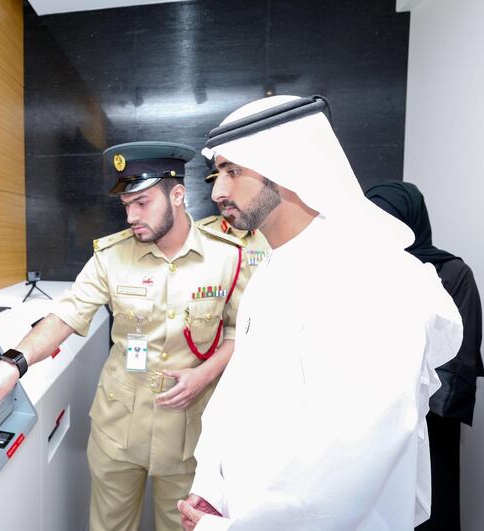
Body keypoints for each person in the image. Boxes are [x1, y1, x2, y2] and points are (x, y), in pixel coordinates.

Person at [177, 95, 463, 531]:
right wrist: (212, 488)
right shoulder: (274, 269)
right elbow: (238, 396)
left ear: (288, 168)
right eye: (218, 174)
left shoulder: (372, 276)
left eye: (233, 171)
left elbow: (348, 463)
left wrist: (234, 528)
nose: (217, 191)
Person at [0, 141, 256, 531]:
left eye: (142, 202)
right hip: (118, 428)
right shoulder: (111, 256)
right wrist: (12, 363)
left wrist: (203, 375)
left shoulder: (229, 256)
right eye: (126, 205)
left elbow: (239, 333)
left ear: (177, 194)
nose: (131, 216)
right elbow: (66, 314)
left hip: (191, 433)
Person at [365, 181, 483, 531]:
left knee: (432, 509)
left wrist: (412, 402)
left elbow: (460, 356)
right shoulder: (363, 275)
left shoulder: (451, 274)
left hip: (429, 422)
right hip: (373, 423)